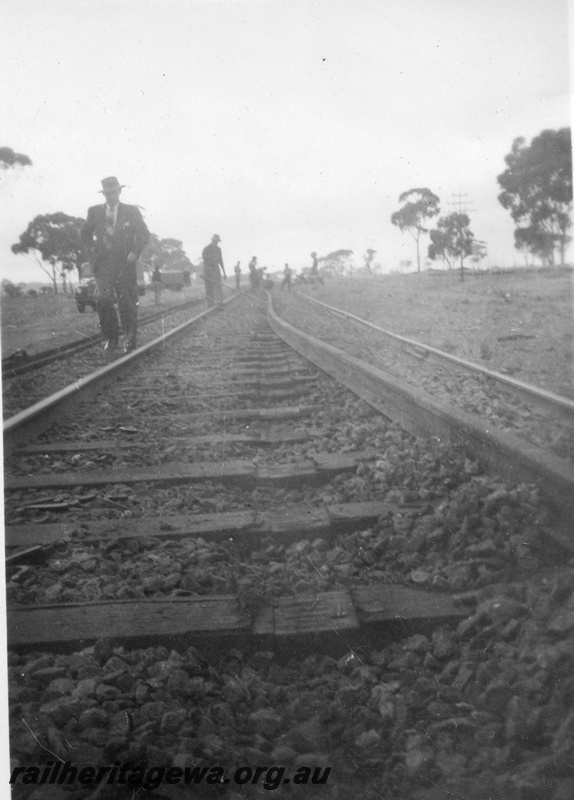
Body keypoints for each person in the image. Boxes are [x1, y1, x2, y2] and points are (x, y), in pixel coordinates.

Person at [81, 176, 149, 354]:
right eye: (107, 193)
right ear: (104, 194)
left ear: (119, 191)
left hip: (124, 264)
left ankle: (129, 337)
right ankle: (110, 339)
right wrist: (92, 252)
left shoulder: (131, 211)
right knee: (103, 299)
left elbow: (143, 233)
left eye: (114, 192)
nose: (111, 196)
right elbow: (85, 233)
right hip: (103, 266)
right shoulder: (94, 211)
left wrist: (135, 251)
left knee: (126, 300)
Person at [202, 234, 226, 309]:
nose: (216, 243)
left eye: (217, 241)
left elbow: (221, 261)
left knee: (218, 287)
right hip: (208, 269)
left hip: (216, 269)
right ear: (212, 240)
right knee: (209, 288)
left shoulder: (219, 249)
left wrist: (224, 272)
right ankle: (210, 306)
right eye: (215, 241)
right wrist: (205, 272)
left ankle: (219, 304)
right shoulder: (206, 249)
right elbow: (205, 261)